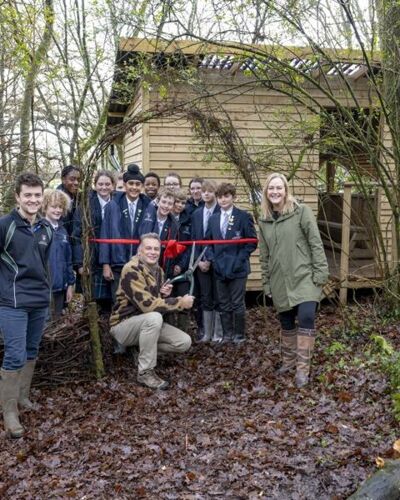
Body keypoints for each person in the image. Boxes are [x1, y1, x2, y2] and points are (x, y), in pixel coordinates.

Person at [258, 173, 329, 388]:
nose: (275, 192)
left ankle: (302, 370)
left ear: (286, 190)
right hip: (279, 279)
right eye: (271, 189)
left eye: (279, 188)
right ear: (266, 193)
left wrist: (321, 272)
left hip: (304, 275)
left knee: (306, 317)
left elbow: (315, 242)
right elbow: (264, 255)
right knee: (286, 321)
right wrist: (266, 282)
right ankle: (288, 362)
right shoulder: (264, 220)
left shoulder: (301, 212)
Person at [0, 173, 53, 438]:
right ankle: (9, 413)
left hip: (39, 301)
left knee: (31, 349)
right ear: (18, 197)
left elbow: (44, 264)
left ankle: (23, 397)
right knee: (14, 354)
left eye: (37, 195)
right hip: (13, 302)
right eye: (28, 195)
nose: (33, 200)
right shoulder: (5, 225)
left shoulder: (46, 228)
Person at [109, 233, 194, 390]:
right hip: (124, 324)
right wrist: (180, 302)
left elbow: (154, 299)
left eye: (156, 249)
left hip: (145, 324)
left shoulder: (158, 271)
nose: (152, 252)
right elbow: (148, 305)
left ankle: (141, 351)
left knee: (184, 342)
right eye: (148, 248)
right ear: (139, 250)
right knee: (154, 317)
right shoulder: (131, 269)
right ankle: (145, 373)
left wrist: (162, 294)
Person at [206, 182, 257, 345]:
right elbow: (207, 242)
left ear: (233, 197)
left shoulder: (243, 216)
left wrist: (239, 259)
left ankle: (239, 335)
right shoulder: (213, 218)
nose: (222, 200)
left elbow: (251, 242)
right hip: (219, 268)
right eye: (220, 197)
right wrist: (213, 260)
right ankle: (227, 335)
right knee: (223, 303)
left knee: (237, 303)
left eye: (226, 196)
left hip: (238, 268)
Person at [99, 163, 150, 302]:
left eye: (138, 184)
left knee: (139, 301)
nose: (134, 187)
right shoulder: (113, 205)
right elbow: (105, 234)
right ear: (125, 184)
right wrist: (105, 264)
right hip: (118, 262)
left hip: (141, 264)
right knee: (119, 302)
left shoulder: (148, 205)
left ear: (142, 186)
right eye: (131, 183)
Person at [72, 170, 115, 312]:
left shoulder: (117, 204)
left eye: (107, 184)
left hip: (112, 259)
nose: (104, 187)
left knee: (111, 301)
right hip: (90, 257)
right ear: (95, 185)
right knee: (91, 301)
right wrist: (79, 263)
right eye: (100, 184)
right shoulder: (85, 207)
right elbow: (77, 236)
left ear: (113, 186)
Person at [191, 180, 222, 342]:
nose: (206, 194)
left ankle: (217, 333)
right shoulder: (196, 214)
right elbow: (194, 240)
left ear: (215, 193)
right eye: (204, 191)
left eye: (210, 191)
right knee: (205, 296)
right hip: (200, 262)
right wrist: (199, 261)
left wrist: (210, 259)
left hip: (216, 261)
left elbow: (218, 240)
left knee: (218, 296)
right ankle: (207, 333)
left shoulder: (220, 211)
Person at [42, 189, 75, 320]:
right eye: (54, 207)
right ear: (45, 207)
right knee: (43, 324)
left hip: (61, 287)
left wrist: (70, 285)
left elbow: (68, 260)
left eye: (60, 207)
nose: (58, 210)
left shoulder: (63, 231)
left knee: (57, 323)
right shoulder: (38, 229)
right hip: (43, 289)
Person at [139, 187, 179, 276]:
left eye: (170, 204)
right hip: (143, 263)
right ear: (158, 201)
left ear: (173, 206)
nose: (166, 206)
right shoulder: (146, 216)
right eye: (164, 202)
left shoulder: (174, 224)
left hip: (162, 266)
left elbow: (172, 251)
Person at [57, 165, 81, 236]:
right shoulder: (57, 199)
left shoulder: (76, 196)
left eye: (78, 180)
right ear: (63, 180)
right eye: (72, 179)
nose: (76, 183)